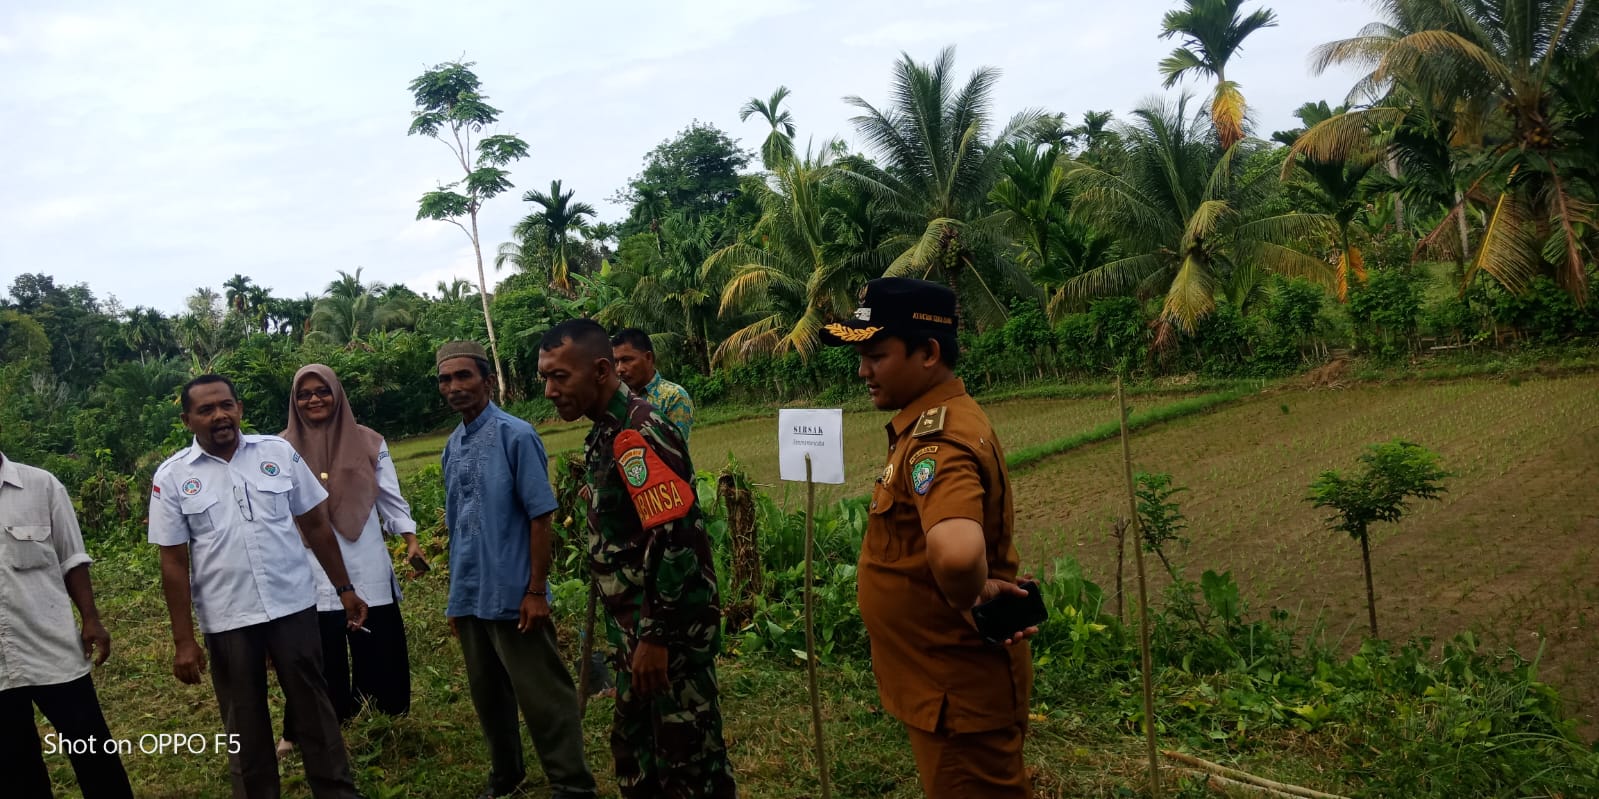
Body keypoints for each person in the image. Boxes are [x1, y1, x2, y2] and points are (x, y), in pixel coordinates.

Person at [819, 278, 1037, 798]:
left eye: (877, 356)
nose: (863, 371)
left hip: (955, 691)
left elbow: (958, 554)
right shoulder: (933, 423)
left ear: (929, 353)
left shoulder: (936, 442)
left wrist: (972, 591)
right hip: (941, 686)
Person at [538, 319, 736, 799]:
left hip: (667, 639)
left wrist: (655, 638)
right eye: (545, 377)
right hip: (634, 633)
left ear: (600, 371)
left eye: (560, 376)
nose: (549, 391)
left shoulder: (638, 432)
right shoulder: (606, 431)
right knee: (636, 757)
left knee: (689, 767)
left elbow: (676, 540)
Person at [149, 374, 369, 799]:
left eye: (226, 405)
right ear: (187, 420)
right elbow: (173, 562)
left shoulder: (277, 453)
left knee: (314, 709)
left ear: (240, 409)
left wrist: (344, 588)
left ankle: (337, 792)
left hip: (292, 606)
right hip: (228, 616)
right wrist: (183, 641)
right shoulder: (173, 476)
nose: (219, 415)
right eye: (206, 410)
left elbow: (316, 525)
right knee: (244, 723)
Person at [435, 341, 596, 799]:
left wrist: (536, 590)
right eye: (445, 379)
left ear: (488, 381)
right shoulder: (451, 446)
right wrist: (456, 598)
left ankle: (572, 784)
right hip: (470, 592)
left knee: (542, 694)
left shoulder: (516, 435)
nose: (454, 386)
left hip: (513, 591)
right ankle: (506, 776)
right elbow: (458, 526)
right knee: (488, 695)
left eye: (464, 376)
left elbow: (540, 516)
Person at [277, 364, 422, 757]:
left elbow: (390, 497)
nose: (314, 399)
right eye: (304, 394)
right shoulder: (278, 449)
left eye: (322, 391)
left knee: (377, 641)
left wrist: (410, 539)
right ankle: (306, 727)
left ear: (337, 394)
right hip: (308, 561)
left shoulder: (369, 441)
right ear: (294, 401)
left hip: (365, 555)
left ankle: (384, 717)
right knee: (316, 648)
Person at [0, 450, 134, 799]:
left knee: (91, 748)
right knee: (14, 765)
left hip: (51, 645)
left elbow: (72, 558)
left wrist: (91, 619)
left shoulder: (41, 485)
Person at [611, 328, 694, 442]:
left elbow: (674, 448)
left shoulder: (674, 396)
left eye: (626, 360)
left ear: (648, 357)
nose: (619, 369)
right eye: (616, 362)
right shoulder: (616, 398)